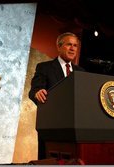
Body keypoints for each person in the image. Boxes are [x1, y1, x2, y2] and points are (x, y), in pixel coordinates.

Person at [29, 32, 85, 160]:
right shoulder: (44, 67)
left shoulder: (81, 72)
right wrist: (37, 93)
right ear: (59, 47)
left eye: (75, 46)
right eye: (69, 44)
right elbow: (34, 90)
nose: (72, 48)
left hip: (76, 127)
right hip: (51, 127)